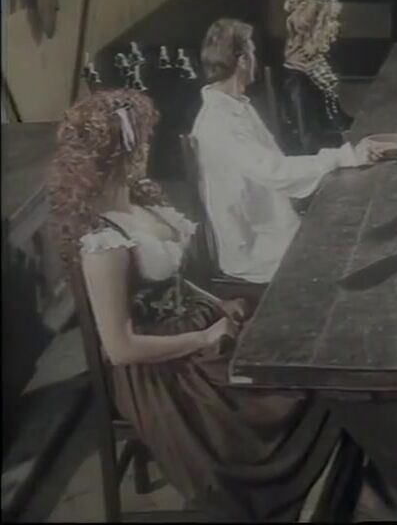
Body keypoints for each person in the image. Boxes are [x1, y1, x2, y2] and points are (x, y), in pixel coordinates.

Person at [48, 89, 346, 521]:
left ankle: (334, 485)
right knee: (282, 389)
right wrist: (205, 337)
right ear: (115, 152)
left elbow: (172, 279)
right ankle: (282, 493)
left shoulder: (140, 202)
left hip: (195, 326)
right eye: (140, 141)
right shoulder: (101, 241)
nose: (146, 149)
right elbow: (120, 347)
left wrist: (217, 303)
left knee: (302, 348)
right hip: (160, 370)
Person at [192, 18, 383, 284]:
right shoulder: (217, 124)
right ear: (243, 60)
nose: (255, 58)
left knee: (355, 227)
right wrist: (342, 157)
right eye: (252, 51)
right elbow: (275, 172)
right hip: (255, 246)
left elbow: (275, 166)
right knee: (353, 247)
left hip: (273, 223)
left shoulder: (235, 106)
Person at [282, 0, 353, 154]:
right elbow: (309, 138)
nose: (335, 29)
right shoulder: (299, 81)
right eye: (330, 23)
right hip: (318, 152)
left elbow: (337, 116)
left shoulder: (317, 66)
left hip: (330, 136)